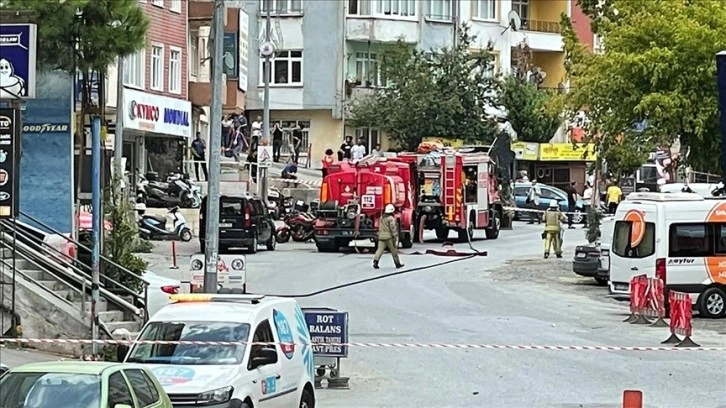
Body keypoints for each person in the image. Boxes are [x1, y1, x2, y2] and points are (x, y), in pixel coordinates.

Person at [373, 204, 405, 269]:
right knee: (394, 251)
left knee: (379, 250)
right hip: (388, 237)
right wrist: (395, 236)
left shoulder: (382, 217)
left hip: (381, 236)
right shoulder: (391, 219)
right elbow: (392, 228)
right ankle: (397, 263)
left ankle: (376, 261)